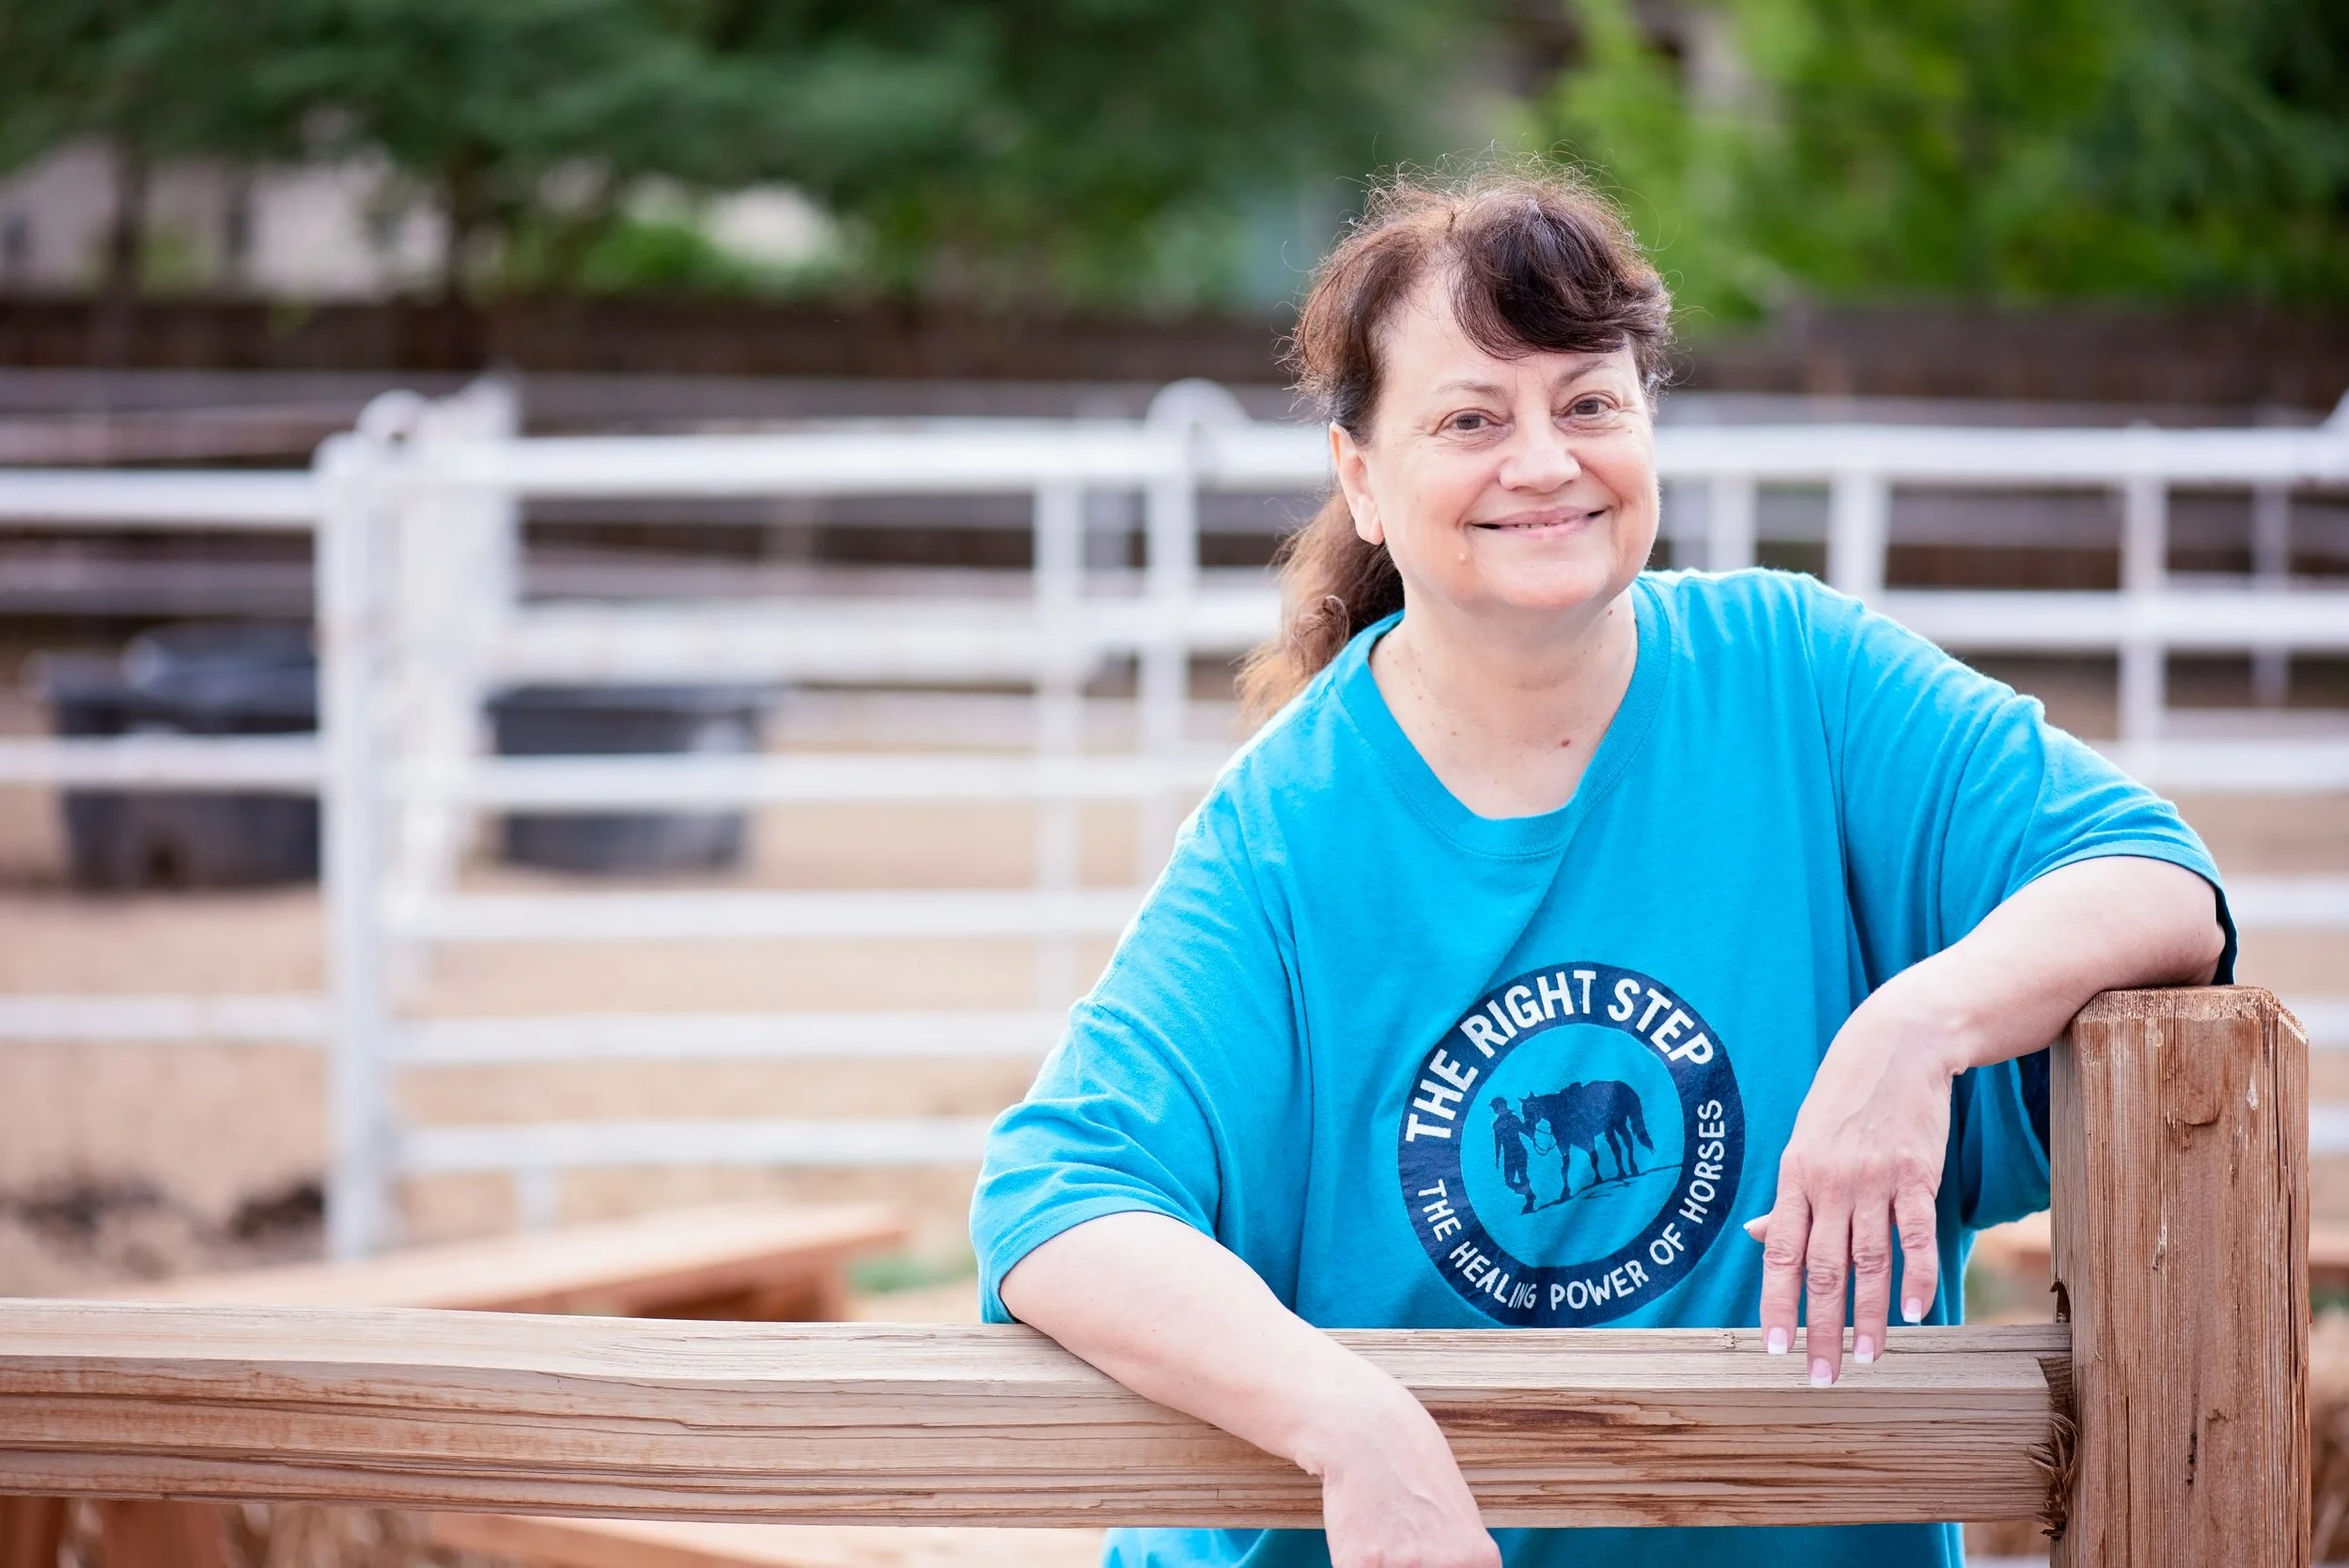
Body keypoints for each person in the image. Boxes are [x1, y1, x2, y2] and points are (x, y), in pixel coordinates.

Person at [972, 171, 2230, 1568]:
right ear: (1362, 483)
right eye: (1469, 419)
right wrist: (1357, 1426)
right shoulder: (1291, 829)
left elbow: (2158, 879)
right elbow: (1059, 1197)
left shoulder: (1799, 679)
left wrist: (1917, 1029)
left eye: (1589, 401)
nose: (1544, 460)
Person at [1489, 1094, 1535, 1212]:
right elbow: (1497, 1143)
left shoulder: (1514, 1119)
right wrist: (1497, 1158)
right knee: (1509, 1182)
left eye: (1503, 1106)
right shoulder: (1496, 1125)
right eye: (1498, 1107)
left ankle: (1530, 1200)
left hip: (1520, 1152)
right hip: (1508, 1156)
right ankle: (1529, 1193)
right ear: (1495, 1110)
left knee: (1523, 1176)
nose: (1501, 1108)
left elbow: (1523, 1130)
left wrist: (1532, 1137)